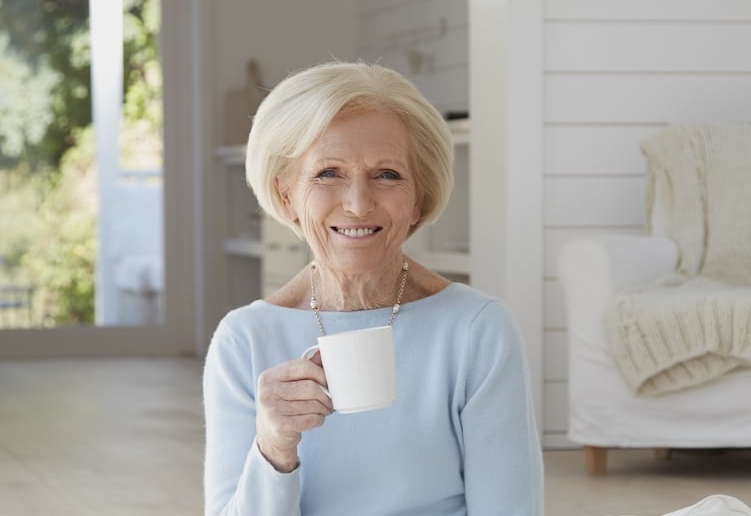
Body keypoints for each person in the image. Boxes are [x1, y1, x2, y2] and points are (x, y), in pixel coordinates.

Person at [203, 61, 544, 515]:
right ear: (286, 195)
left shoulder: (477, 329)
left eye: (387, 174)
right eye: (328, 173)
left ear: (419, 196)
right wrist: (273, 447)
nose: (359, 204)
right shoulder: (244, 340)